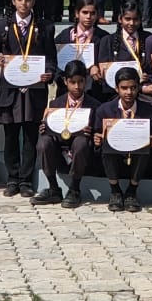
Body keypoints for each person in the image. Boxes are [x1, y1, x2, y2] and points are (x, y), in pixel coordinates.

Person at [0, 0, 58, 198]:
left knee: (31, 135)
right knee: (11, 134)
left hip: (34, 88)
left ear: (34, 1)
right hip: (10, 89)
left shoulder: (45, 27)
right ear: (13, 1)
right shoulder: (2, 25)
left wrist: (49, 72)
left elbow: (51, 57)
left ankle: (25, 180)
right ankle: (12, 178)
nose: (24, 3)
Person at [32, 61, 100, 208]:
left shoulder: (94, 106)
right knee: (44, 142)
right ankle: (53, 188)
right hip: (59, 151)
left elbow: (99, 133)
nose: (77, 86)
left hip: (82, 154)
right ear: (65, 81)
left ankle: (74, 189)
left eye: (80, 82)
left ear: (86, 81)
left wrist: (92, 132)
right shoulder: (55, 105)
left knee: (81, 142)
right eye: (72, 82)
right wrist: (45, 128)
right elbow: (49, 129)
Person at [93, 66, 152, 212]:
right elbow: (97, 134)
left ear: (138, 88)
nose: (129, 92)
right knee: (106, 147)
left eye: (133, 88)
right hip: (114, 156)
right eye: (124, 88)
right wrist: (97, 139)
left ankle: (131, 192)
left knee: (144, 148)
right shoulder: (104, 110)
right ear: (117, 89)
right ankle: (115, 191)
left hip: (137, 156)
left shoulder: (149, 111)